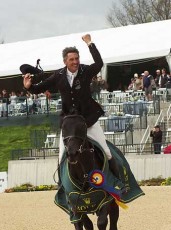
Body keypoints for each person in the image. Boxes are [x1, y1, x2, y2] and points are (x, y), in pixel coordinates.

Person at [23, 34, 121, 181]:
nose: (75, 62)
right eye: (71, 59)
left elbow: (99, 63)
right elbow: (39, 88)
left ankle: (119, 182)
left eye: (77, 58)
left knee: (107, 152)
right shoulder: (58, 76)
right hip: (69, 125)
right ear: (65, 61)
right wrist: (29, 87)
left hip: (88, 120)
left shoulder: (85, 71)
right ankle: (62, 187)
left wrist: (90, 43)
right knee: (61, 156)